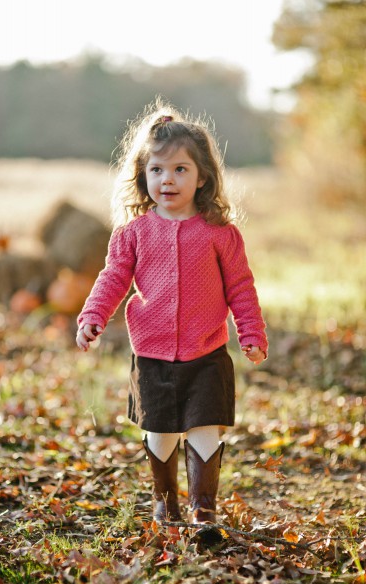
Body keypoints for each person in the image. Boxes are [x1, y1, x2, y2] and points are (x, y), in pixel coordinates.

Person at [76, 101, 268, 529]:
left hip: (207, 354)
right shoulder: (134, 233)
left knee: (206, 428)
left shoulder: (220, 233)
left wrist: (251, 332)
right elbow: (113, 279)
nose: (168, 179)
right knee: (160, 432)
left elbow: (240, 285)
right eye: (158, 170)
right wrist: (93, 316)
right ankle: (166, 504)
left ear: (203, 177)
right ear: (144, 175)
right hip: (153, 355)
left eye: (181, 169)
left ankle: (204, 509)